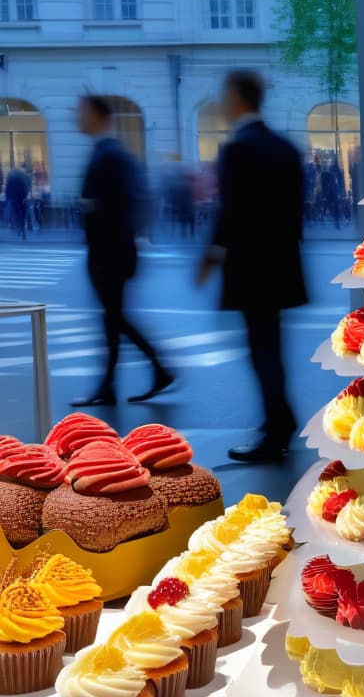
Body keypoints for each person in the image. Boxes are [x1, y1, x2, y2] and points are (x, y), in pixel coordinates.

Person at [199, 71, 307, 463]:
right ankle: (280, 417)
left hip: (251, 267)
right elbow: (296, 213)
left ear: (239, 98)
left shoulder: (237, 149)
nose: (223, 103)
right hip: (281, 264)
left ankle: (276, 428)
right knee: (271, 347)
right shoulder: (284, 148)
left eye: (226, 95)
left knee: (262, 349)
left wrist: (210, 256)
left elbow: (231, 214)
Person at [72, 95, 173, 406]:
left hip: (110, 252)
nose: (78, 119)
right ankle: (126, 379)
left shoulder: (110, 155)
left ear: (99, 116)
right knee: (113, 318)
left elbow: (128, 202)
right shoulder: (108, 153)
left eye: (83, 113)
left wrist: (95, 212)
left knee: (114, 318)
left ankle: (156, 369)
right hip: (112, 250)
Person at [5, 165, 30, 239]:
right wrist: (25, 196)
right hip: (22, 199)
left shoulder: (11, 179)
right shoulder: (23, 178)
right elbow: (26, 188)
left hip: (15, 200)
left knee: (17, 215)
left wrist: (8, 198)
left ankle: (19, 228)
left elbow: (7, 190)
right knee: (23, 215)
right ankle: (22, 230)